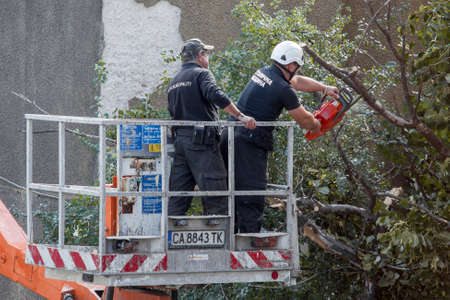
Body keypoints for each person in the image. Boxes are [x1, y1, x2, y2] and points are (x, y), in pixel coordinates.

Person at [220, 40, 339, 233]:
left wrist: (323, 88)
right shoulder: (283, 89)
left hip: (230, 136)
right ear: (291, 65)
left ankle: (230, 241)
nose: (298, 71)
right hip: (248, 143)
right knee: (251, 195)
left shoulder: (265, 73)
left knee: (232, 193)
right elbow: (305, 121)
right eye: (297, 67)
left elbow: (297, 82)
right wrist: (319, 124)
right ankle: (249, 246)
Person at [167, 38, 256, 225]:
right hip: (201, 140)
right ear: (200, 56)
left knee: (180, 186)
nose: (208, 58)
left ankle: (174, 224)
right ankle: (216, 228)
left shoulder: (174, 81)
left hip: (180, 142)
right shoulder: (201, 74)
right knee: (214, 183)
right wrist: (240, 116)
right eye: (206, 53)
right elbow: (216, 94)